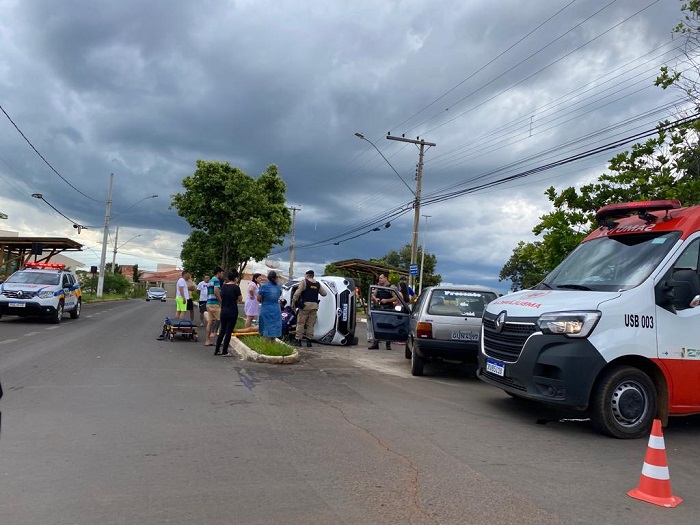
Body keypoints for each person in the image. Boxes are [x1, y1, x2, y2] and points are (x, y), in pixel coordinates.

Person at [291, 269, 327, 347]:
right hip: (314, 306)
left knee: (300, 323)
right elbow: (324, 293)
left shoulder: (304, 282)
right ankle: (309, 341)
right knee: (310, 324)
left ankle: (298, 340)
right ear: (313, 276)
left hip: (305, 306)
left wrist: (293, 302)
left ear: (307, 275)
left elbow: (297, 294)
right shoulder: (317, 284)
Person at [214, 270, 243, 356]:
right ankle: (225, 351)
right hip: (232, 311)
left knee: (222, 330)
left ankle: (217, 350)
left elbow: (222, 296)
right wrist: (235, 300)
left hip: (223, 311)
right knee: (228, 332)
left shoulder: (224, 286)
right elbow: (240, 299)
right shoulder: (236, 287)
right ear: (235, 278)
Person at [369, 273, 397, 350]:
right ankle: (376, 343)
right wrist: (375, 298)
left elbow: (396, 297)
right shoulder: (379, 287)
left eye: (381, 278)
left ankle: (388, 344)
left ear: (386, 278)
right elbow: (373, 295)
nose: (379, 280)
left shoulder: (392, 287)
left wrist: (387, 300)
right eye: (379, 278)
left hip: (388, 309)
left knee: (388, 326)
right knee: (377, 325)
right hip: (379, 308)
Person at [256, 270, 283, 342]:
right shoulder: (279, 287)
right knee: (274, 328)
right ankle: (273, 345)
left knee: (266, 327)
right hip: (276, 308)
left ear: (268, 277)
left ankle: (266, 345)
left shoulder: (264, 286)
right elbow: (279, 295)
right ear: (275, 277)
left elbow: (258, 298)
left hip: (266, 308)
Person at [204, 267, 224, 346]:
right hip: (214, 303)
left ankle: (207, 340)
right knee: (222, 320)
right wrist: (221, 301)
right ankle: (221, 340)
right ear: (218, 273)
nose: (222, 275)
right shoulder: (216, 280)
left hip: (208, 303)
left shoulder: (210, 281)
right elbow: (216, 292)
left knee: (210, 322)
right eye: (222, 273)